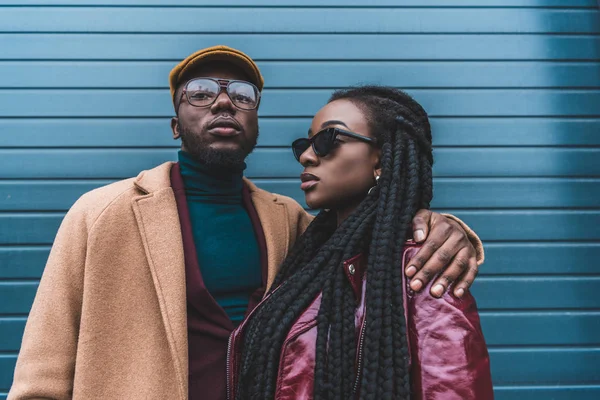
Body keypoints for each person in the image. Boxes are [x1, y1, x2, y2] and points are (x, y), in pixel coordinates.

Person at [9, 46, 484, 400]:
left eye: (241, 95)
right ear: (176, 123)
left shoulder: (293, 222)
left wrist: (440, 225)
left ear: (255, 120)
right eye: (198, 94)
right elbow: (42, 373)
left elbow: (368, 234)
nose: (222, 103)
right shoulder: (101, 212)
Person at [230, 86, 493, 399]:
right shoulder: (307, 256)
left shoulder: (422, 269)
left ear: (381, 158)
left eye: (328, 140)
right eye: (305, 143)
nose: (306, 156)